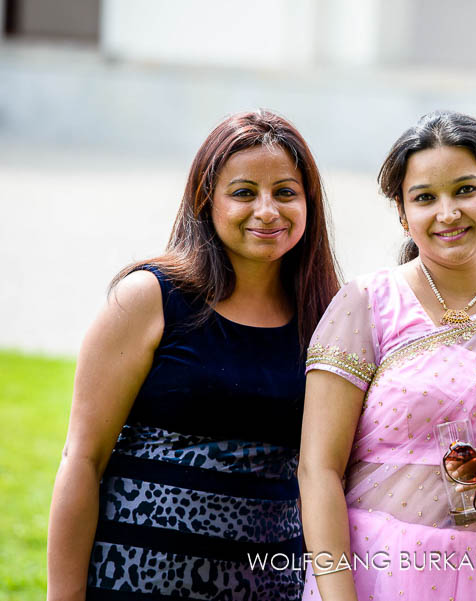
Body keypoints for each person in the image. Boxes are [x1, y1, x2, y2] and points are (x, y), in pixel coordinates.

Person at [46, 110, 340, 600]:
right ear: (208, 201)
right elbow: (82, 459)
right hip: (132, 584)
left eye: (286, 192)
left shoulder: (330, 317)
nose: (267, 210)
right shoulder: (148, 299)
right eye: (244, 192)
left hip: (270, 589)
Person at [298, 110, 476, 601]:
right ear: (404, 214)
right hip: (374, 575)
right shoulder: (367, 304)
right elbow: (317, 468)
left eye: (465, 190)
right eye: (425, 198)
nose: (447, 212)